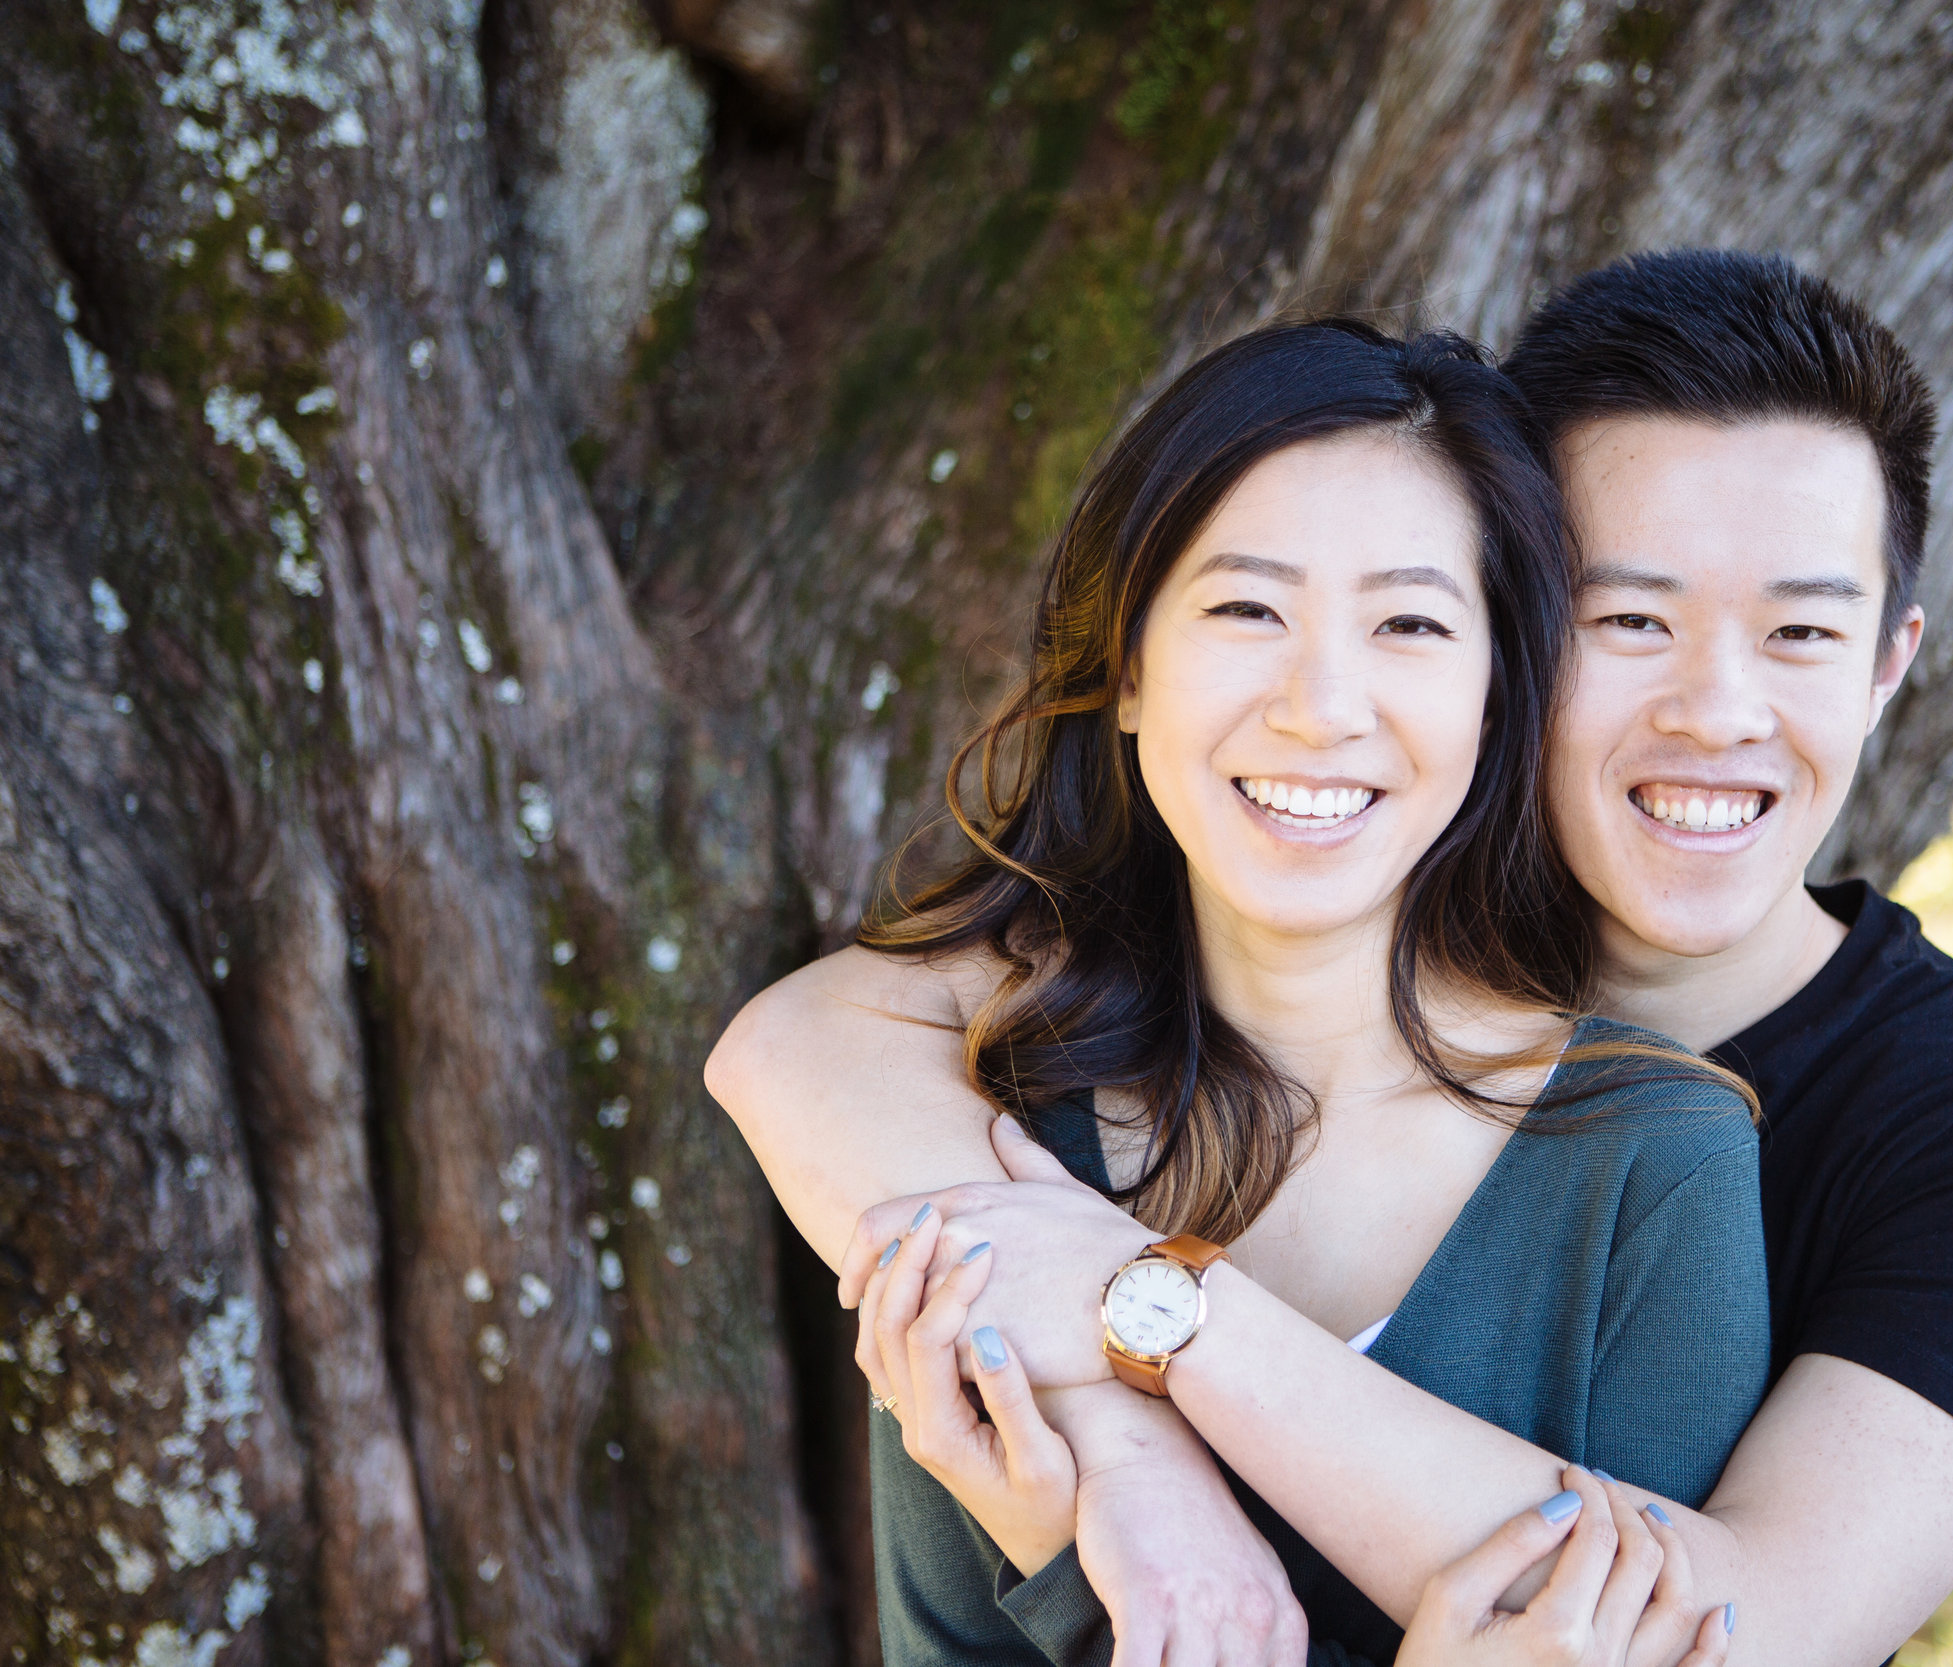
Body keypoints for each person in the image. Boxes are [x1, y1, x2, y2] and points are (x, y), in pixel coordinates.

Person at [709, 251, 1953, 1666]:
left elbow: (1739, 1637)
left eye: (1804, 631)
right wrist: (1123, 1460)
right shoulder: (1104, 1037)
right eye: (1630, 619)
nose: (1719, 711)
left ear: (1890, 659)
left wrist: (1141, 1315)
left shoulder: (1948, 1126)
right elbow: (799, 1042)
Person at [756, 314, 1765, 1665]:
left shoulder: (1647, 1160)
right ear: (1125, 669)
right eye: (1246, 608)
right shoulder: (1002, 1131)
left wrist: (1079, 1527)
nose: (1320, 704)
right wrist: (1122, 1489)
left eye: (1410, 621)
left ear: (1496, 691)